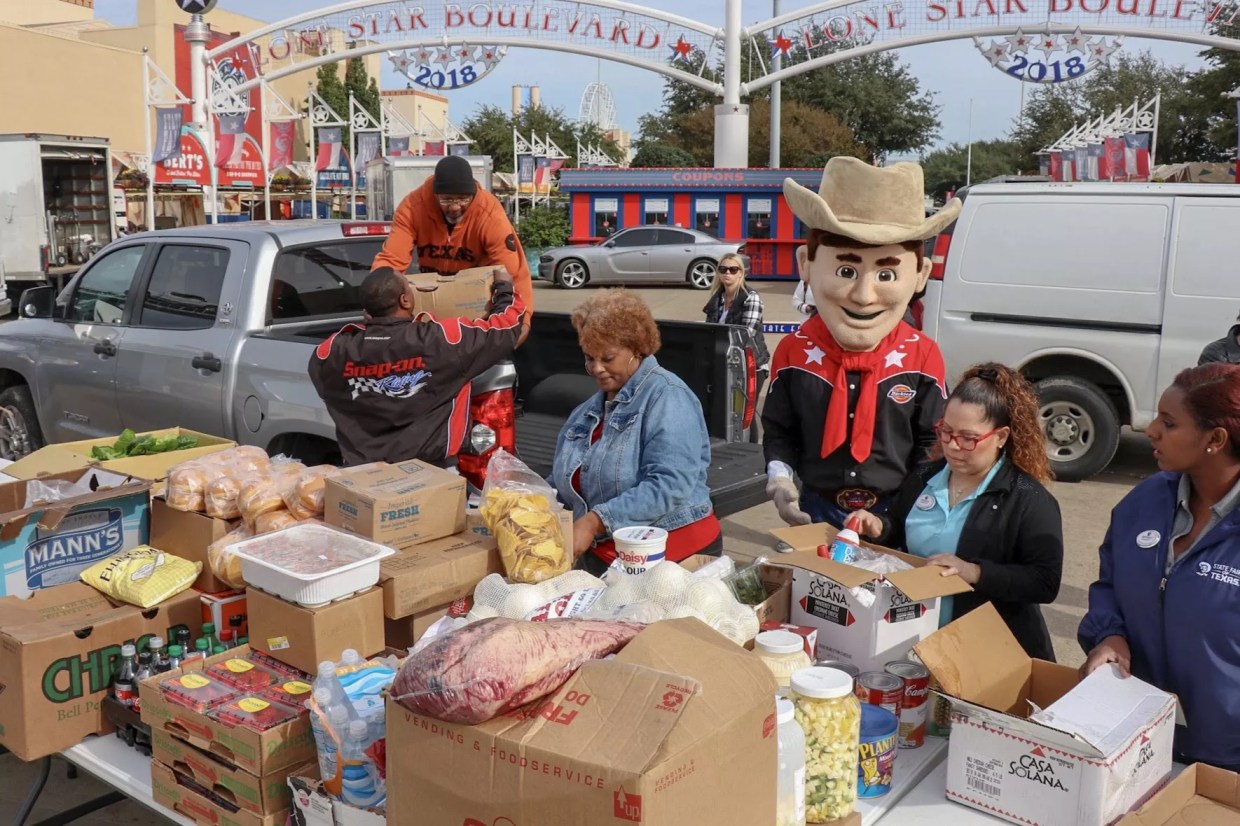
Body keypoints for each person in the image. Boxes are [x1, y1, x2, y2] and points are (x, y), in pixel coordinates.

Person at [764, 158, 960, 529]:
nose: (864, 295)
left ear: (920, 275)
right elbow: (780, 430)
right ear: (806, 263)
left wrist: (904, 512)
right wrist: (780, 477)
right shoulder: (794, 352)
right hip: (816, 506)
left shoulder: (922, 356)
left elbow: (931, 444)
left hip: (892, 508)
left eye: (886, 274)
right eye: (846, 271)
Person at [1079, 363, 1240, 770]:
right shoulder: (1145, 500)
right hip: (1135, 739)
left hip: (1225, 762)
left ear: (1215, 439)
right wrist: (1109, 635)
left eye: (1169, 423)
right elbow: (1110, 584)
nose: (1151, 430)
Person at [847, 363, 1063, 659]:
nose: (953, 446)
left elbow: (1044, 582)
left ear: (1001, 437)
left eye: (968, 438)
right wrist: (878, 526)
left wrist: (975, 572)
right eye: (946, 432)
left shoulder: (1028, 499)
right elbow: (899, 524)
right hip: (917, 638)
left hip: (988, 651)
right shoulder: (924, 477)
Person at [549, 289, 721, 577]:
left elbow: (670, 485)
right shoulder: (586, 411)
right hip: (608, 559)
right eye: (589, 358)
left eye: (608, 358)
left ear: (637, 349)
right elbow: (559, 480)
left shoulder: (668, 396)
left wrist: (593, 522)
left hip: (671, 558)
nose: (597, 368)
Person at [309, 266, 524, 467]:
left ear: (367, 311)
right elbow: (506, 326)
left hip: (363, 474)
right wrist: (504, 288)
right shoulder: (442, 341)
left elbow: (322, 381)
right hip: (431, 471)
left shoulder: (333, 351)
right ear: (405, 300)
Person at [372, 155, 532, 344]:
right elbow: (392, 260)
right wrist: (376, 302)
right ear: (435, 195)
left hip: (479, 307)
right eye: (446, 200)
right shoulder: (412, 208)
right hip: (433, 305)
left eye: (463, 199)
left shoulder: (489, 214)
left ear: (473, 194)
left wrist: (524, 319)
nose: (455, 207)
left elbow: (511, 272)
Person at [703, 253, 770, 414]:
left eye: (733, 269)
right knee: (725, 413)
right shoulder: (717, 299)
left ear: (741, 273)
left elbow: (746, 334)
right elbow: (708, 332)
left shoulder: (751, 297)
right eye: (723, 269)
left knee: (744, 415)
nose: (727, 273)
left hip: (751, 366)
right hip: (724, 364)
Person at [792, 244, 815, 323]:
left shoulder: (830, 282)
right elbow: (796, 300)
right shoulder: (805, 282)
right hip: (807, 323)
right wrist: (806, 307)